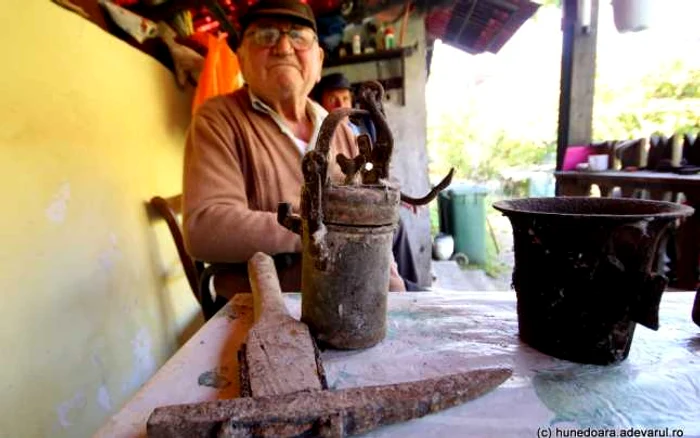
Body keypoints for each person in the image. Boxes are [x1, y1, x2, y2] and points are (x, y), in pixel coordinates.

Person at [182, 0, 406, 299]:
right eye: (265, 35)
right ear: (241, 58)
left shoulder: (339, 127)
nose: (284, 47)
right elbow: (205, 228)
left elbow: (367, 214)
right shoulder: (218, 119)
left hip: (356, 292)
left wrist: (392, 283)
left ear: (319, 59)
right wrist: (321, 226)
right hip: (266, 307)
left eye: (298, 36)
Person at [312, 72, 422, 291]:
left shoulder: (360, 128)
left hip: (358, 204)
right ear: (320, 101)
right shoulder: (326, 130)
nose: (339, 103)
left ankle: (408, 287)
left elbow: (371, 173)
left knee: (397, 224)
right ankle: (405, 289)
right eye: (333, 98)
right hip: (341, 217)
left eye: (344, 98)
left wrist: (394, 196)